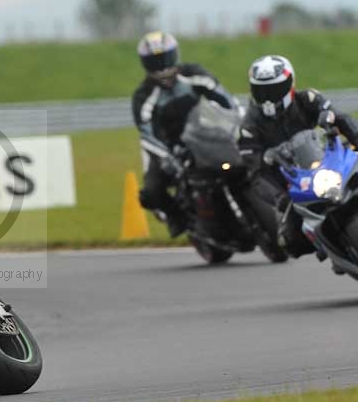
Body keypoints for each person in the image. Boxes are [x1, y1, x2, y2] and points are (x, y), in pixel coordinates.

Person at [239, 54, 358, 258]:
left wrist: (332, 121)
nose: (268, 97)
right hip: (292, 182)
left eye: (274, 89)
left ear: (290, 84)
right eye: (261, 90)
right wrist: (280, 198)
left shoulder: (307, 99)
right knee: (290, 243)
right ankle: (328, 248)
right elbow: (255, 173)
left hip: (325, 161)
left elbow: (338, 117)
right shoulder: (249, 126)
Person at [132, 31, 237, 236]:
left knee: (243, 157)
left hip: (200, 133)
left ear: (175, 54)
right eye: (155, 61)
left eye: (165, 57)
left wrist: (236, 118)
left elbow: (222, 96)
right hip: (165, 147)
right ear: (146, 64)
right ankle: (176, 217)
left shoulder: (193, 74)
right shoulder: (143, 95)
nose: (162, 65)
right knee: (151, 192)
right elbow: (147, 133)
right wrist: (166, 157)